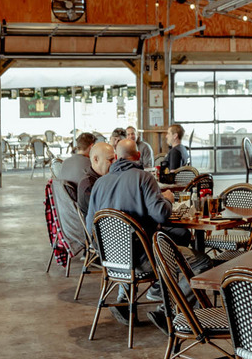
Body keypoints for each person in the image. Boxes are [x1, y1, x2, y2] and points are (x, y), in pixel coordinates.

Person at [88, 139, 210, 326]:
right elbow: (161, 214)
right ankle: (168, 311)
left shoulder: (99, 184)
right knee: (202, 261)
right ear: (138, 156)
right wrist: (167, 199)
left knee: (176, 237)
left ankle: (141, 294)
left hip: (111, 261)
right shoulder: (143, 177)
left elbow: (91, 227)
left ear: (116, 158)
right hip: (143, 260)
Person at [77, 141, 114, 215]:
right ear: (96, 159)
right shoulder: (89, 185)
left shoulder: (102, 178)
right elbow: (103, 215)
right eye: (110, 160)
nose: (114, 163)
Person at [59, 132, 97, 201]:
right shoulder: (91, 164)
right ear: (91, 146)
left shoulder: (64, 163)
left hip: (66, 205)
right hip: (83, 205)